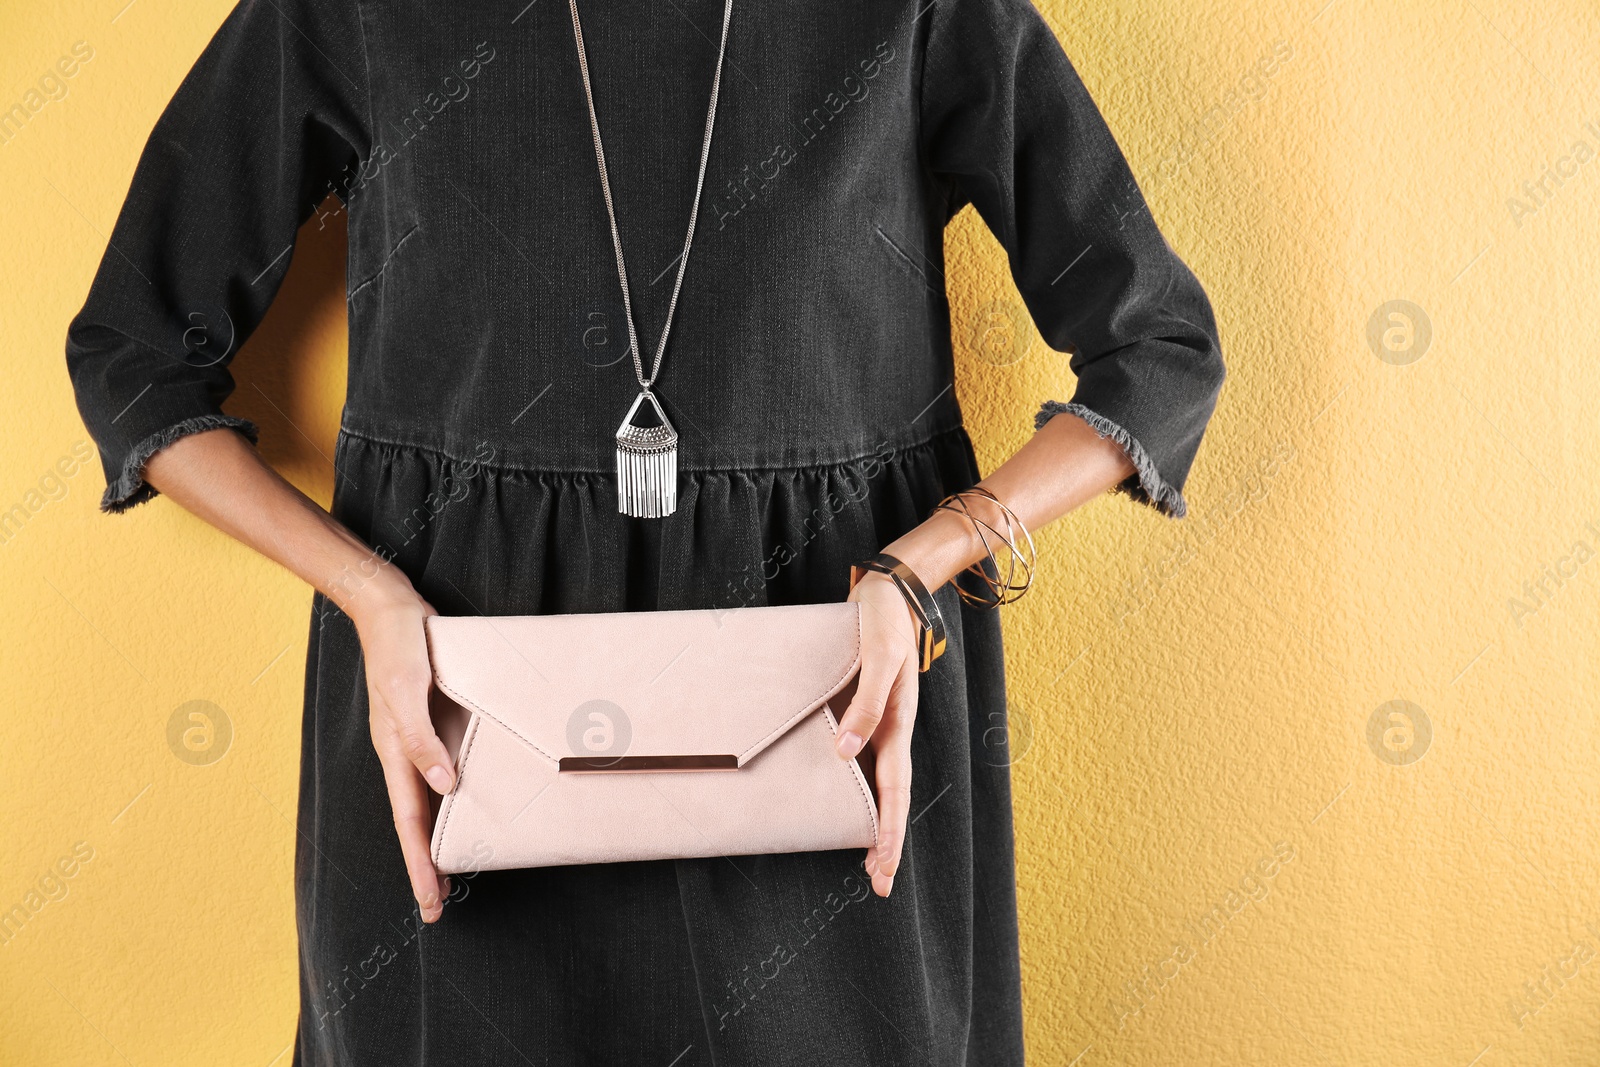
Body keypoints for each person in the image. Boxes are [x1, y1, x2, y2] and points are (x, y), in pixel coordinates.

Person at [65, 0, 1224, 1063]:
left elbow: (1154, 350)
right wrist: (367, 591)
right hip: (458, 723)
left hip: (829, 711)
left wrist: (922, 560)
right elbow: (134, 357)